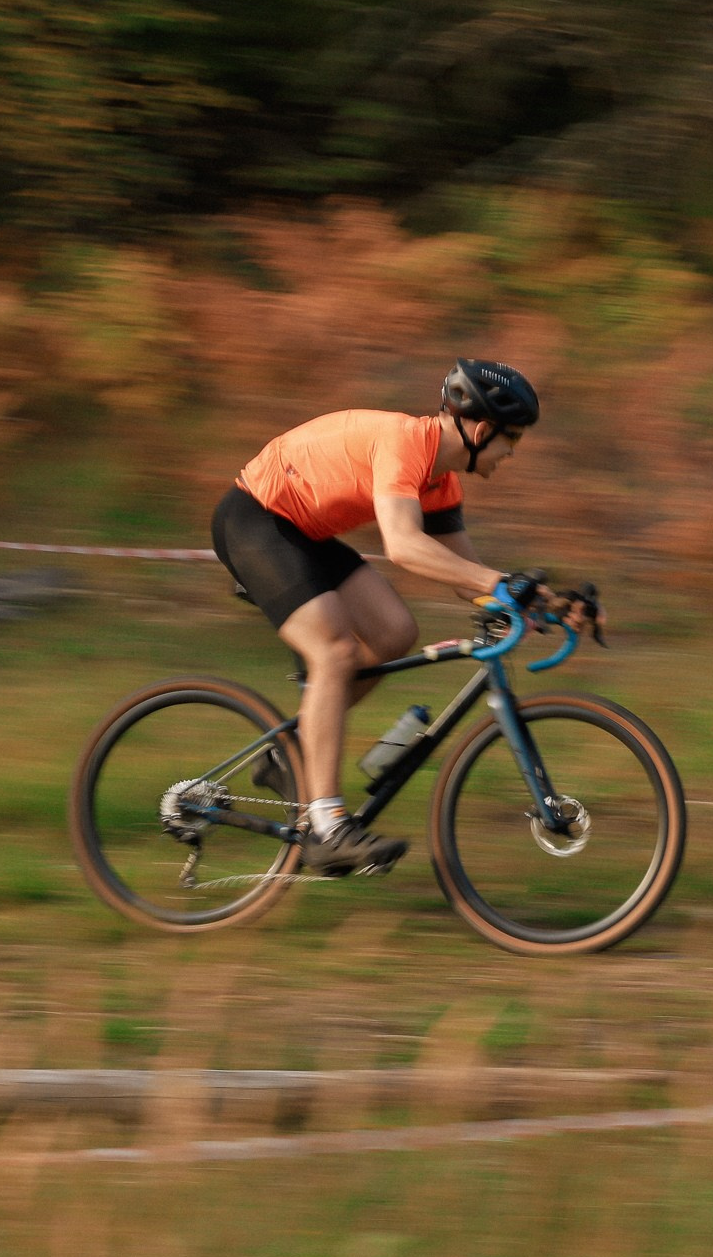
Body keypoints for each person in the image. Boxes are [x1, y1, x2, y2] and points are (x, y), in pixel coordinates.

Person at [211, 360, 594, 875]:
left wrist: (543, 604)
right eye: (513, 440)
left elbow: (466, 576)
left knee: (395, 631)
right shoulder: (406, 444)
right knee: (336, 650)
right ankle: (327, 828)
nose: (512, 453)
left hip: (302, 535)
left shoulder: (442, 483)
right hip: (255, 521)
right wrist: (498, 585)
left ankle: (290, 756)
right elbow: (404, 546)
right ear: (481, 431)